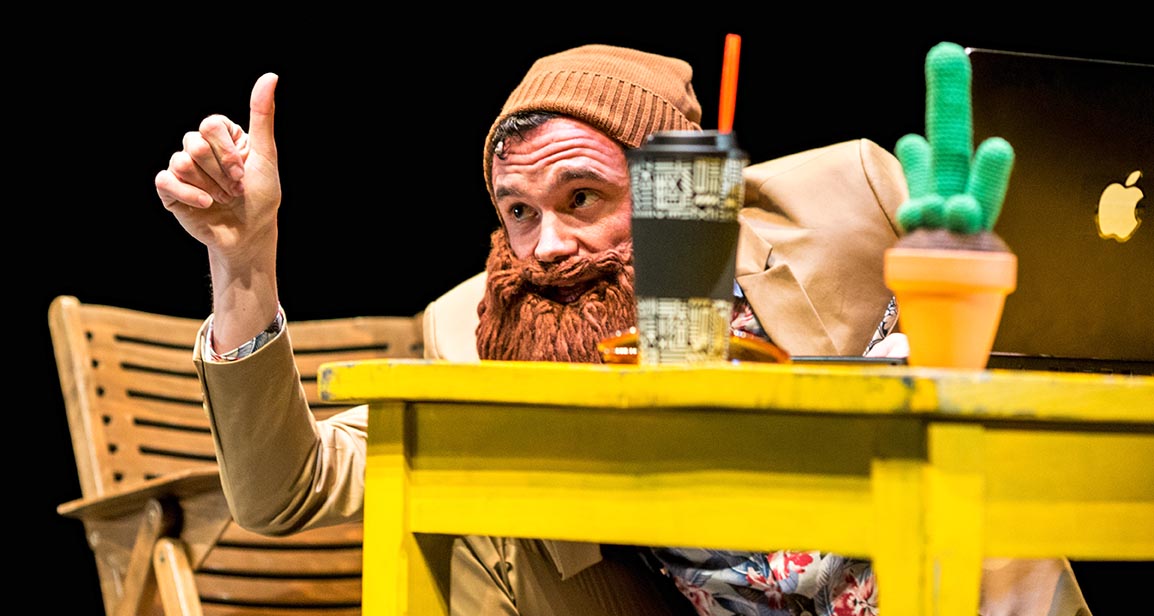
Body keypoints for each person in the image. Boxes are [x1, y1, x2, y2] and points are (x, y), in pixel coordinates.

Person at [154, 44, 1090, 615]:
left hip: (936, 587)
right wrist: (247, 257)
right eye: (519, 212)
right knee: (467, 509)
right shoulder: (482, 326)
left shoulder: (848, 202)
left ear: (674, 184)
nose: (547, 246)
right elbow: (283, 492)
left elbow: (1045, 351)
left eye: (583, 197)